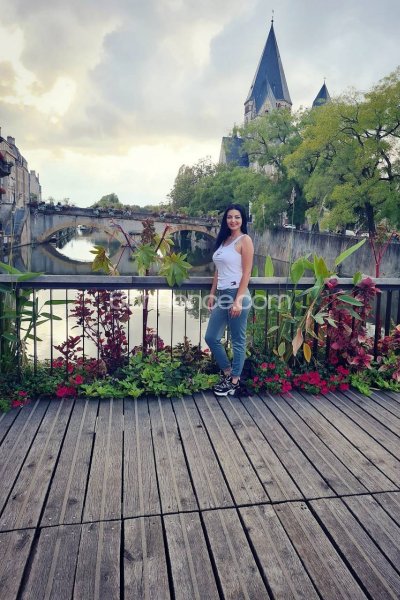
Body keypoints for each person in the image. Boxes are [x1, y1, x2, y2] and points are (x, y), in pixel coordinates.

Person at [205, 204, 254, 396]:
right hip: (223, 295)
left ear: (243, 220)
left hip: (237, 294)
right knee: (211, 337)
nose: (233, 220)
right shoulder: (224, 240)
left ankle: (234, 381)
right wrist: (212, 293)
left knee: (237, 340)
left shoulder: (245, 240)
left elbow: (247, 272)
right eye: (229, 217)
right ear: (225, 220)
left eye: (237, 217)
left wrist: (238, 300)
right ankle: (228, 373)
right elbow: (218, 271)